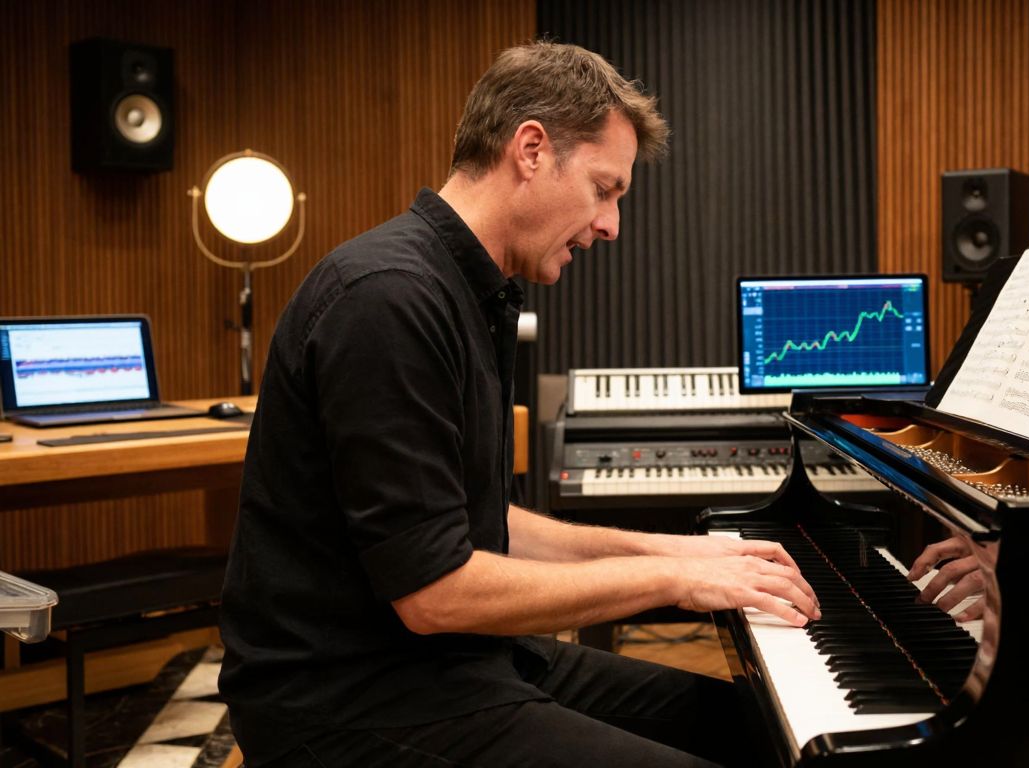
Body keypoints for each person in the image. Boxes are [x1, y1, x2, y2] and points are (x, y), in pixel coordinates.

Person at [218, 41, 819, 768]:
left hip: (455, 665)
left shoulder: (465, 290)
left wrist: (680, 548)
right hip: (344, 700)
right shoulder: (388, 298)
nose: (611, 226)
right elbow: (435, 592)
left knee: (754, 731)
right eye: (605, 189)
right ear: (531, 149)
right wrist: (673, 579)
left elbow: (478, 521)